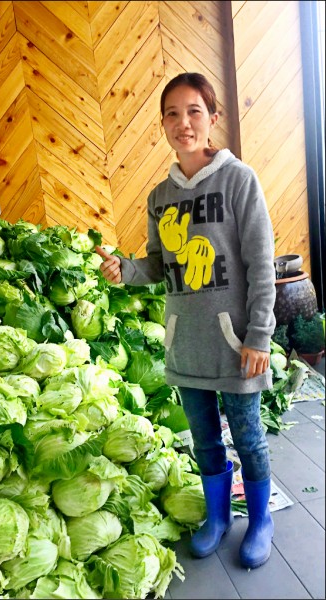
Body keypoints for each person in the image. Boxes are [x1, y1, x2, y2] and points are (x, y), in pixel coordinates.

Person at [96, 72, 276, 570]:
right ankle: (217, 519)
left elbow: (262, 263)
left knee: (248, 435)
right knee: (204, 440)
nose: (184, 123)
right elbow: (157, 265)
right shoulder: (159, 197)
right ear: (163, 126)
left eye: (194, 111)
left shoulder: (239, 180)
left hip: (238, 342)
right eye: (172, 114)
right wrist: (123, 270)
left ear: (213, 118)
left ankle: (260, 520)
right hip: (185, 345)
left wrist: (259, 334)